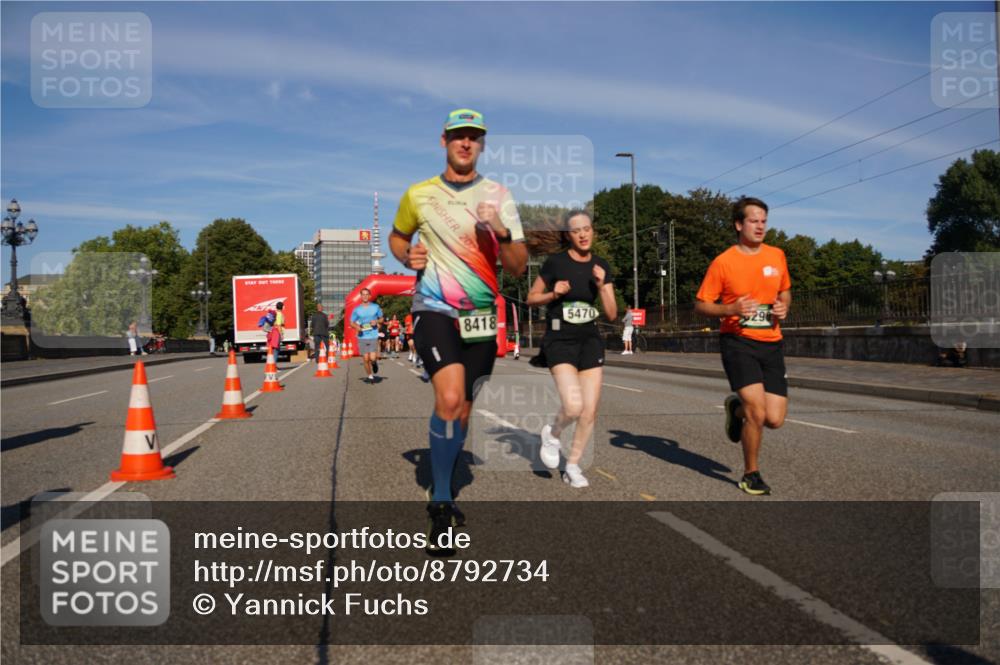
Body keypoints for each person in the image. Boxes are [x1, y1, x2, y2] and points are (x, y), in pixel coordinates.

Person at [389, 108, 527, 554]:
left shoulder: (498, 195)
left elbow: (518, 268)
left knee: (464, 411)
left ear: (482, 144)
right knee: (447, 399)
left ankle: (442, 480)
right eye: (457, 136)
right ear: (444, 140)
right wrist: (405, 253)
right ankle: (442, 504)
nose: (465, 144)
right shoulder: (419, 194)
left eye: (474, 137)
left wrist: (501, 231)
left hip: (480, 316)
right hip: (434, 308)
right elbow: (396, 236)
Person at [695, 196, 792, 496]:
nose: (760, 226)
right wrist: (730, 309)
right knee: (757, 412)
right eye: (754, 220)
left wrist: (783, 308)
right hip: (738, 342)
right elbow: (700, 305)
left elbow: (785, 292)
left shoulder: (777, 256)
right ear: (739, 224)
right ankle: (751, 474)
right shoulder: (723, 262)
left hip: (771, 343)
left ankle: (735, 409)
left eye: (764, 221)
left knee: (774, 419)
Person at [527, 210, 617, 488]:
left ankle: (573, 465)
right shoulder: (555, 263)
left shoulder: (600, 266)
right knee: (574, 405)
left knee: (589, 411)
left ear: (593, 231)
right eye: (577, 230)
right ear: (568, 235)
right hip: (560, 339)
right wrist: (554, 294)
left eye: (587, 228)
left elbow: (613, 314)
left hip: (589, 340)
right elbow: (531, 298)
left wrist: (602, 286)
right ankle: (553, 434)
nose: (583, 234)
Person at [350, 288, 384, 383]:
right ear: (361, 296)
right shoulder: (357, 310)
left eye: (366, 294)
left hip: (373, 335)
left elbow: (381, 319)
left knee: (372, 358)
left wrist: (376, 321)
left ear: (369, 296)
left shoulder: (375, 307)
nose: (365, 296)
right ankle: (370, 376)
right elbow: (351, 323)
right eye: (363, 294)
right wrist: (357, 328)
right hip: (362, 336)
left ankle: (374, 363)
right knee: (365, 358)